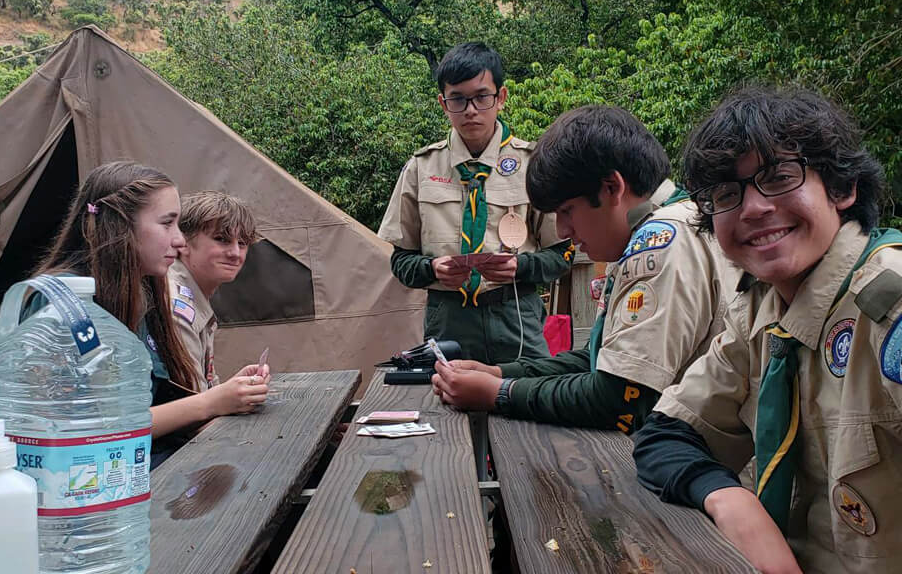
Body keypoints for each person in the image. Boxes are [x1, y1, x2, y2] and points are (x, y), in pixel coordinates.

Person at [633, 86, 901, 574]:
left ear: (841, 188)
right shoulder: (760, 313)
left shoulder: (888, 307)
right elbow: (665, 435)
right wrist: (732, 501)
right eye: (727, 194)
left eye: (778, 176)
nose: (753, 208)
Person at [433, 105, 731, 431]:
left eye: (567, 211)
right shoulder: (673, 222)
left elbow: (620, 399)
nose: (561, 231)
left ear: (612, 188)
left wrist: (500, 394)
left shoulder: (661, 243)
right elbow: (596, 358)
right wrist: (500, 374)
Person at [32, 162, 270, 455]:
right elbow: (94, 428)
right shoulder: (68, 303)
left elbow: (156, 403)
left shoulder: (137, 294)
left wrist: (230, 395)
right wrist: (211, 403)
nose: (179, 239)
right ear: (120, 224)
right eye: (167, 223)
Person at [379, 42, 571, 365]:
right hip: (448, 318)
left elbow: (564, 253)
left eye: (482, 97)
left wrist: (520, 267)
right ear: (443, 103)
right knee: (447, 409)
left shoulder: (531, 164)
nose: (470, 110)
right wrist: (431, 269)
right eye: (458, 99)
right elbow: (400, 261)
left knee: (528, 404)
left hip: (515, 312)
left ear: (501, 98)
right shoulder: (421, 168)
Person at [168, 191, 264, 402]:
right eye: (221, 239)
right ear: (183, 242)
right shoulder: (177, 307)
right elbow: (193, 413)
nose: (235, 254)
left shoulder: (193, 292)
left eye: (242, 243)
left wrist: (234, 389)